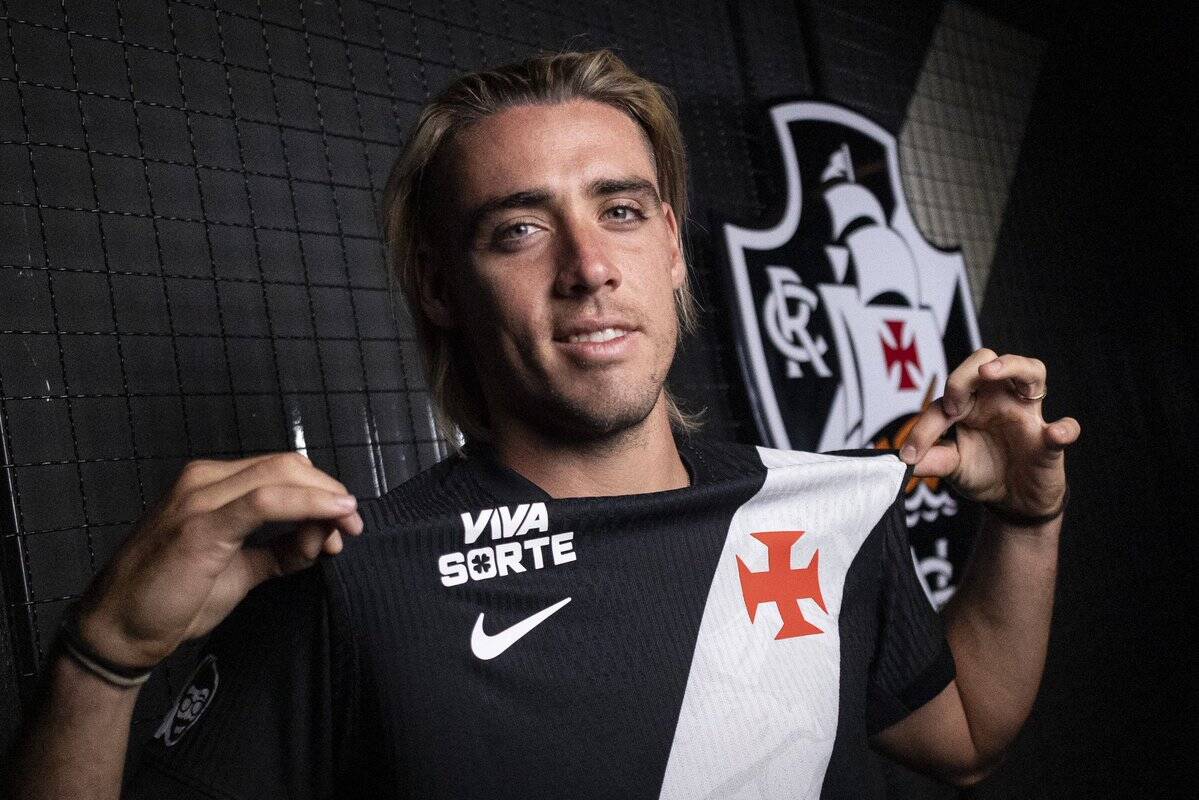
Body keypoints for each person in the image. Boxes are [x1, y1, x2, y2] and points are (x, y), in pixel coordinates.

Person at [6, 50, 1078, 799]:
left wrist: (1026, 521)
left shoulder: (813, 508)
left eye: (620, 210)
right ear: (440, 287)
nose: (588, 266)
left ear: (670, 246)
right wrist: (100, 660)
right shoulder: (354, 580)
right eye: (519, 229)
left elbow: (965, 738)